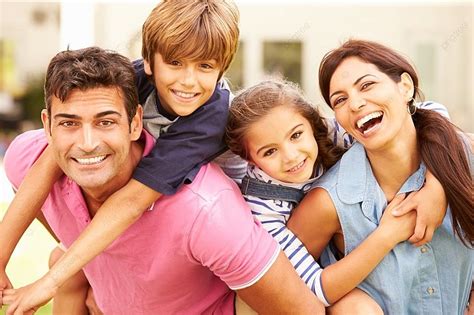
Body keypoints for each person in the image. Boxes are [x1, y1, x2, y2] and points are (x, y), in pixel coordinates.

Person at [2, 47, 324, 315]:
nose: (87, 142)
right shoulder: (24, 161)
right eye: (69, 123)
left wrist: (50, 282)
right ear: (48, 126)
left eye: (106, 122)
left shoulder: (207, 213)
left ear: (135, 123)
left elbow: (304, 311)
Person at [0, 0, 247, 313]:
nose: (188, 80)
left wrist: (46, 283)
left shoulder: (210, 119)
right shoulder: (130, 79)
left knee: (67, 269)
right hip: (157, 207)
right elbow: (48, 161)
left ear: (221, 69)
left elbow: (133, 200)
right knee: (65, 264)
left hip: (225, 216)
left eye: (205, 67)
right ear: (148, 62)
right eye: (174, 62)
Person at [225, 79, 450, 313]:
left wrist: (436, 185)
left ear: (312, 125)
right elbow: (314, 288)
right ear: (250, 159)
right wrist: (388, 234)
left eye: (296, 135)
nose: (291, 156)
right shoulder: (262, 209)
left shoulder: (330, 133)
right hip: (302, 285)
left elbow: (431, 112)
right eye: (270, 151)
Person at [287, 39, 473, 314]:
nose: (356, 103)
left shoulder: (465, 158)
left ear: (405, 87)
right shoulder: (330, 201)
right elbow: (280, 285)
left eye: (367, 85)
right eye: (340, 99)